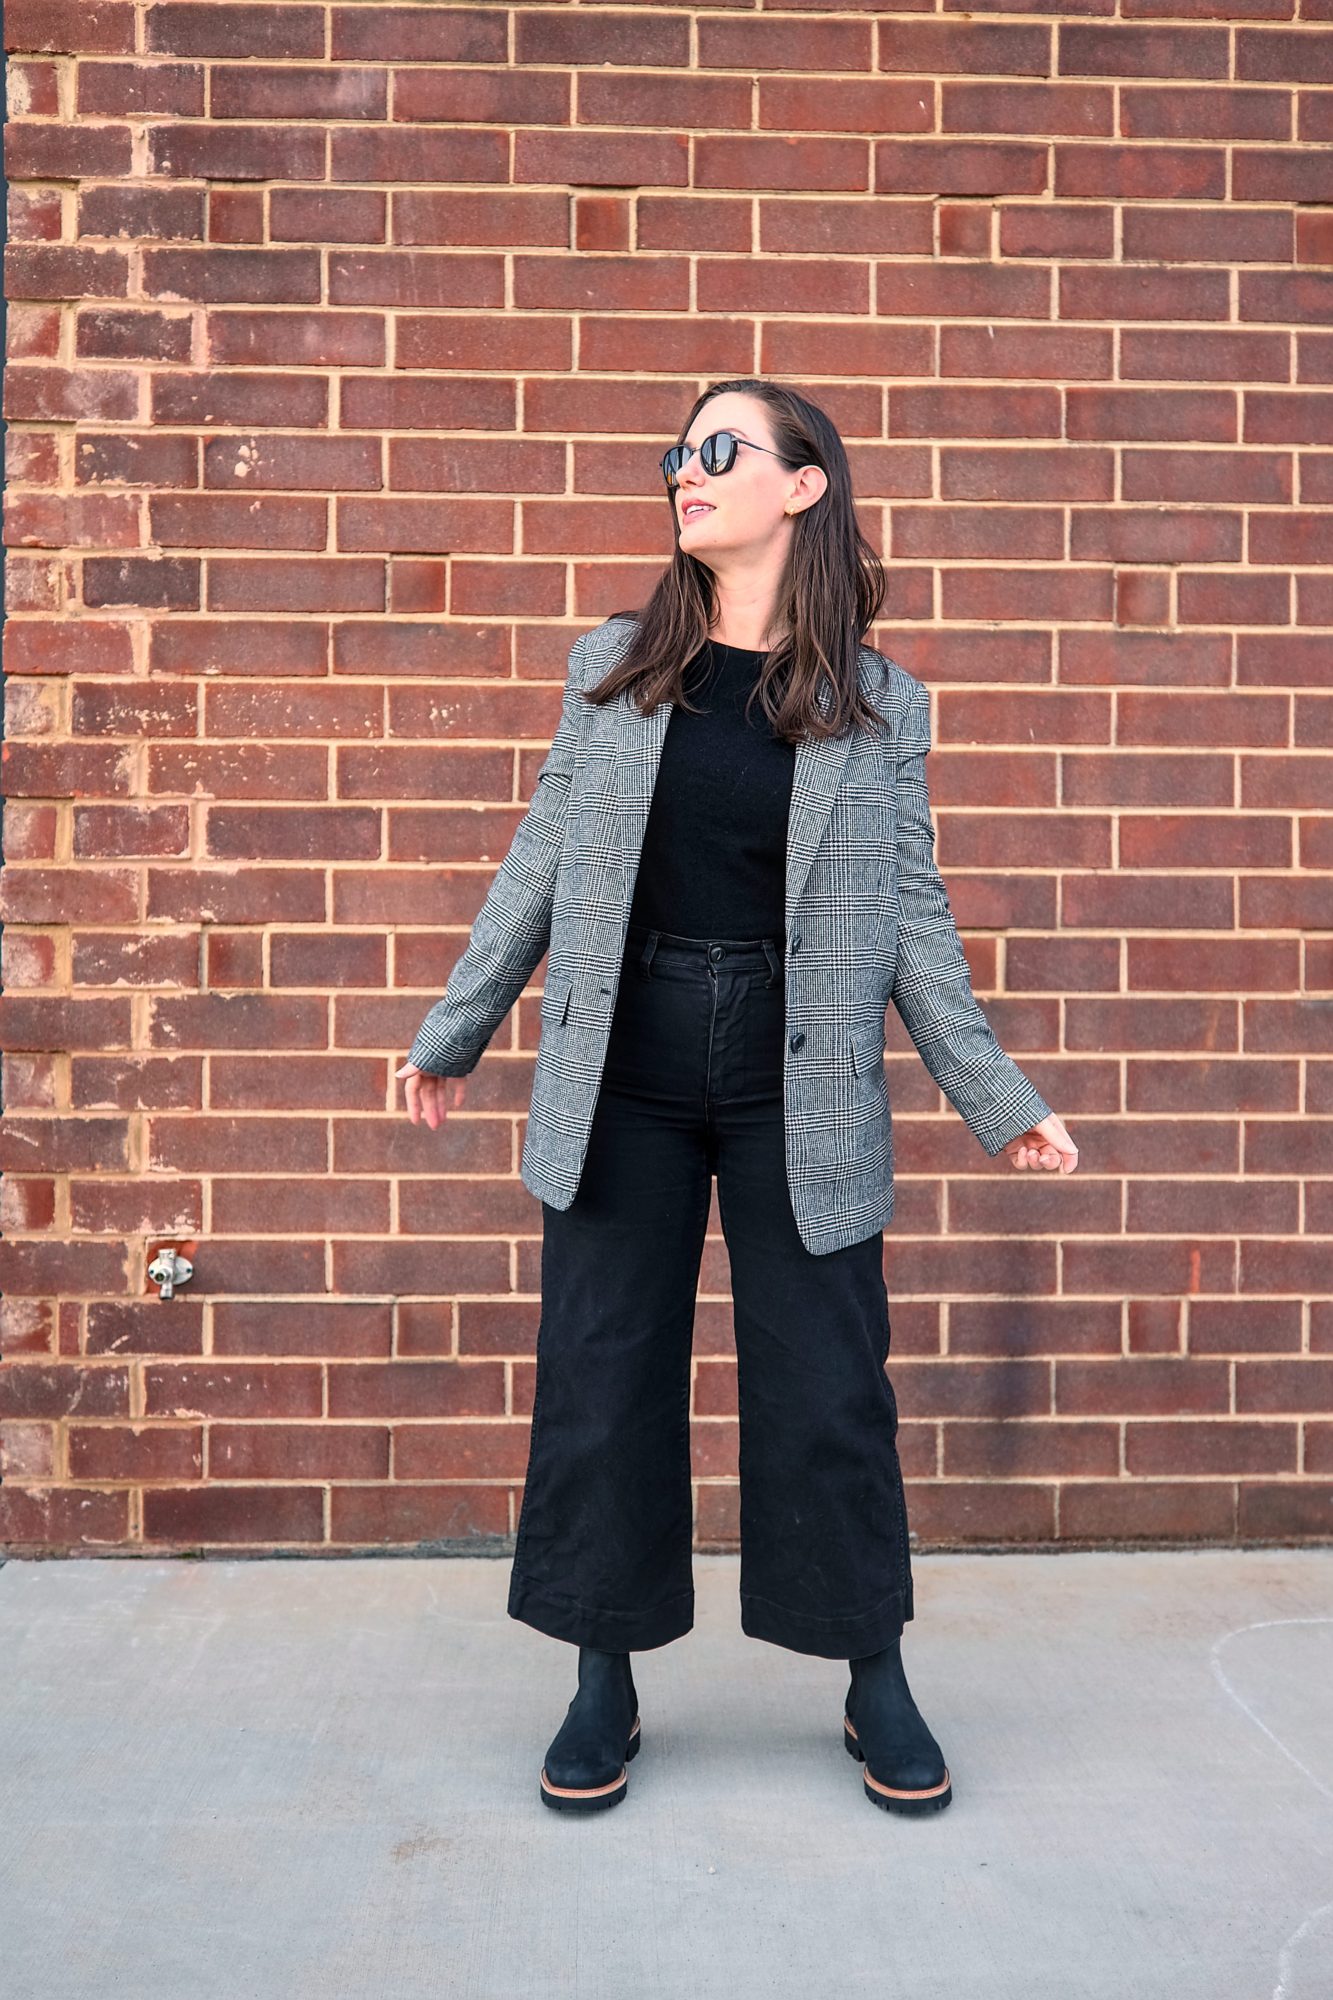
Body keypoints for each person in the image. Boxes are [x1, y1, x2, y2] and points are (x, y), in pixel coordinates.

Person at [398, 378, 1079, 1818]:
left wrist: (995, 1096)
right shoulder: (612, 666)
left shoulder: (878, 704)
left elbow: (912, 917)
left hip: (800, 1078)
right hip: (624, 1072)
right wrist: (452, 1033)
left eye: (720, 450)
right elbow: (539, 864)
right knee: (600, 1378)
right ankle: (603, 1671)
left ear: (804, 487)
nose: (685, 473)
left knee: (831, 1390)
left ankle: (869, 1669)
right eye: (677, 454)